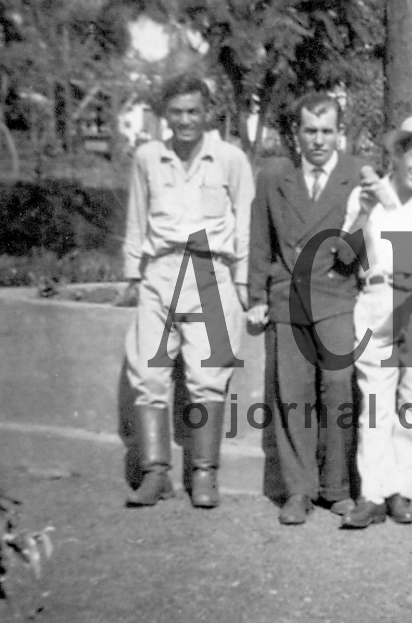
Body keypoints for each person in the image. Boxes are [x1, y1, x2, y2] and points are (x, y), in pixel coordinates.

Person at [122, 73, 254, 508]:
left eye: (193, 111)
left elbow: (246, 225)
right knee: (147, 375)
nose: (185, 121)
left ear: (207, 112)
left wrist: (241, 283)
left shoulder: (231, 159)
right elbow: (137, 218)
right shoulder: (148, 157)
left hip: (210, 272)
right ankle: (156, 473)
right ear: (165, 116)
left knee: (207, 376)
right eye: (176, 113)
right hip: (161, 270)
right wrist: (132, 275)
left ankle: (203, 475)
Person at [247, 92, 364, 525]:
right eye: (310, 131)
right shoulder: (274, 175)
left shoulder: (356, 175)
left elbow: (369, 236)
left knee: (338, 381)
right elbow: (260, 239)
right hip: (289, 296)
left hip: (336, 294)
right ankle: (298, 489)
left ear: (340, 134)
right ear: (297, 135)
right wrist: (257, 297)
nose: (318, 140)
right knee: (291, 391)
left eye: (327, 131)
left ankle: (336, 486)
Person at [339, 115, 412, 530]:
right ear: (398, 153)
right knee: (375, 396)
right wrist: (362, 213)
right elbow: (344, 255)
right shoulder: (367, 195)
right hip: (376, 298)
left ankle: (401, 490)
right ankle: (371, 494)